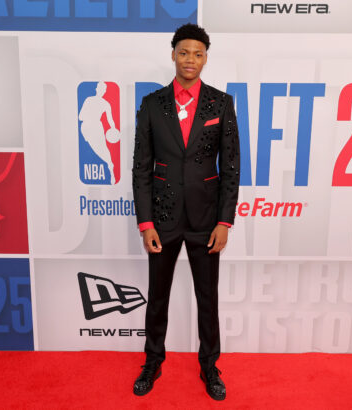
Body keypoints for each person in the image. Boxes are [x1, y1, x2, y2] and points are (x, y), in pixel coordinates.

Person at [132, 23, 240, 401]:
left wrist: (224, 221)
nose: (190, 59)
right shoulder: (152, 104)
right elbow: (141, 168)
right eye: (183, 52)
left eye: (197, 53)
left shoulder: (221, 103)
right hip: (161, 218)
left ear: (205, 58)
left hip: (206, 220)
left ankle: (210, 366)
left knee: (207, 299)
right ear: (173, 55)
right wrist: (146, 223)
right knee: (157, 296)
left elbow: (231, 167)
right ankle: (152, 361)